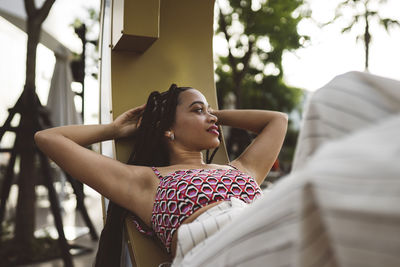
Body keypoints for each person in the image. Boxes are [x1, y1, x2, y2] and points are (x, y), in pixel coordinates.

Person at [34, 83, 288, 266]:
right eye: (198, 110)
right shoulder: (147, 181)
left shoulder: (241, 169)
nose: (211, 118)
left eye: (209, 112)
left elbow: (278, 120)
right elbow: (48, 138)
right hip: (217, 252)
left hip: (274, 238)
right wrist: (114, 130)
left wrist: (211, 115)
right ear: (168, 128)